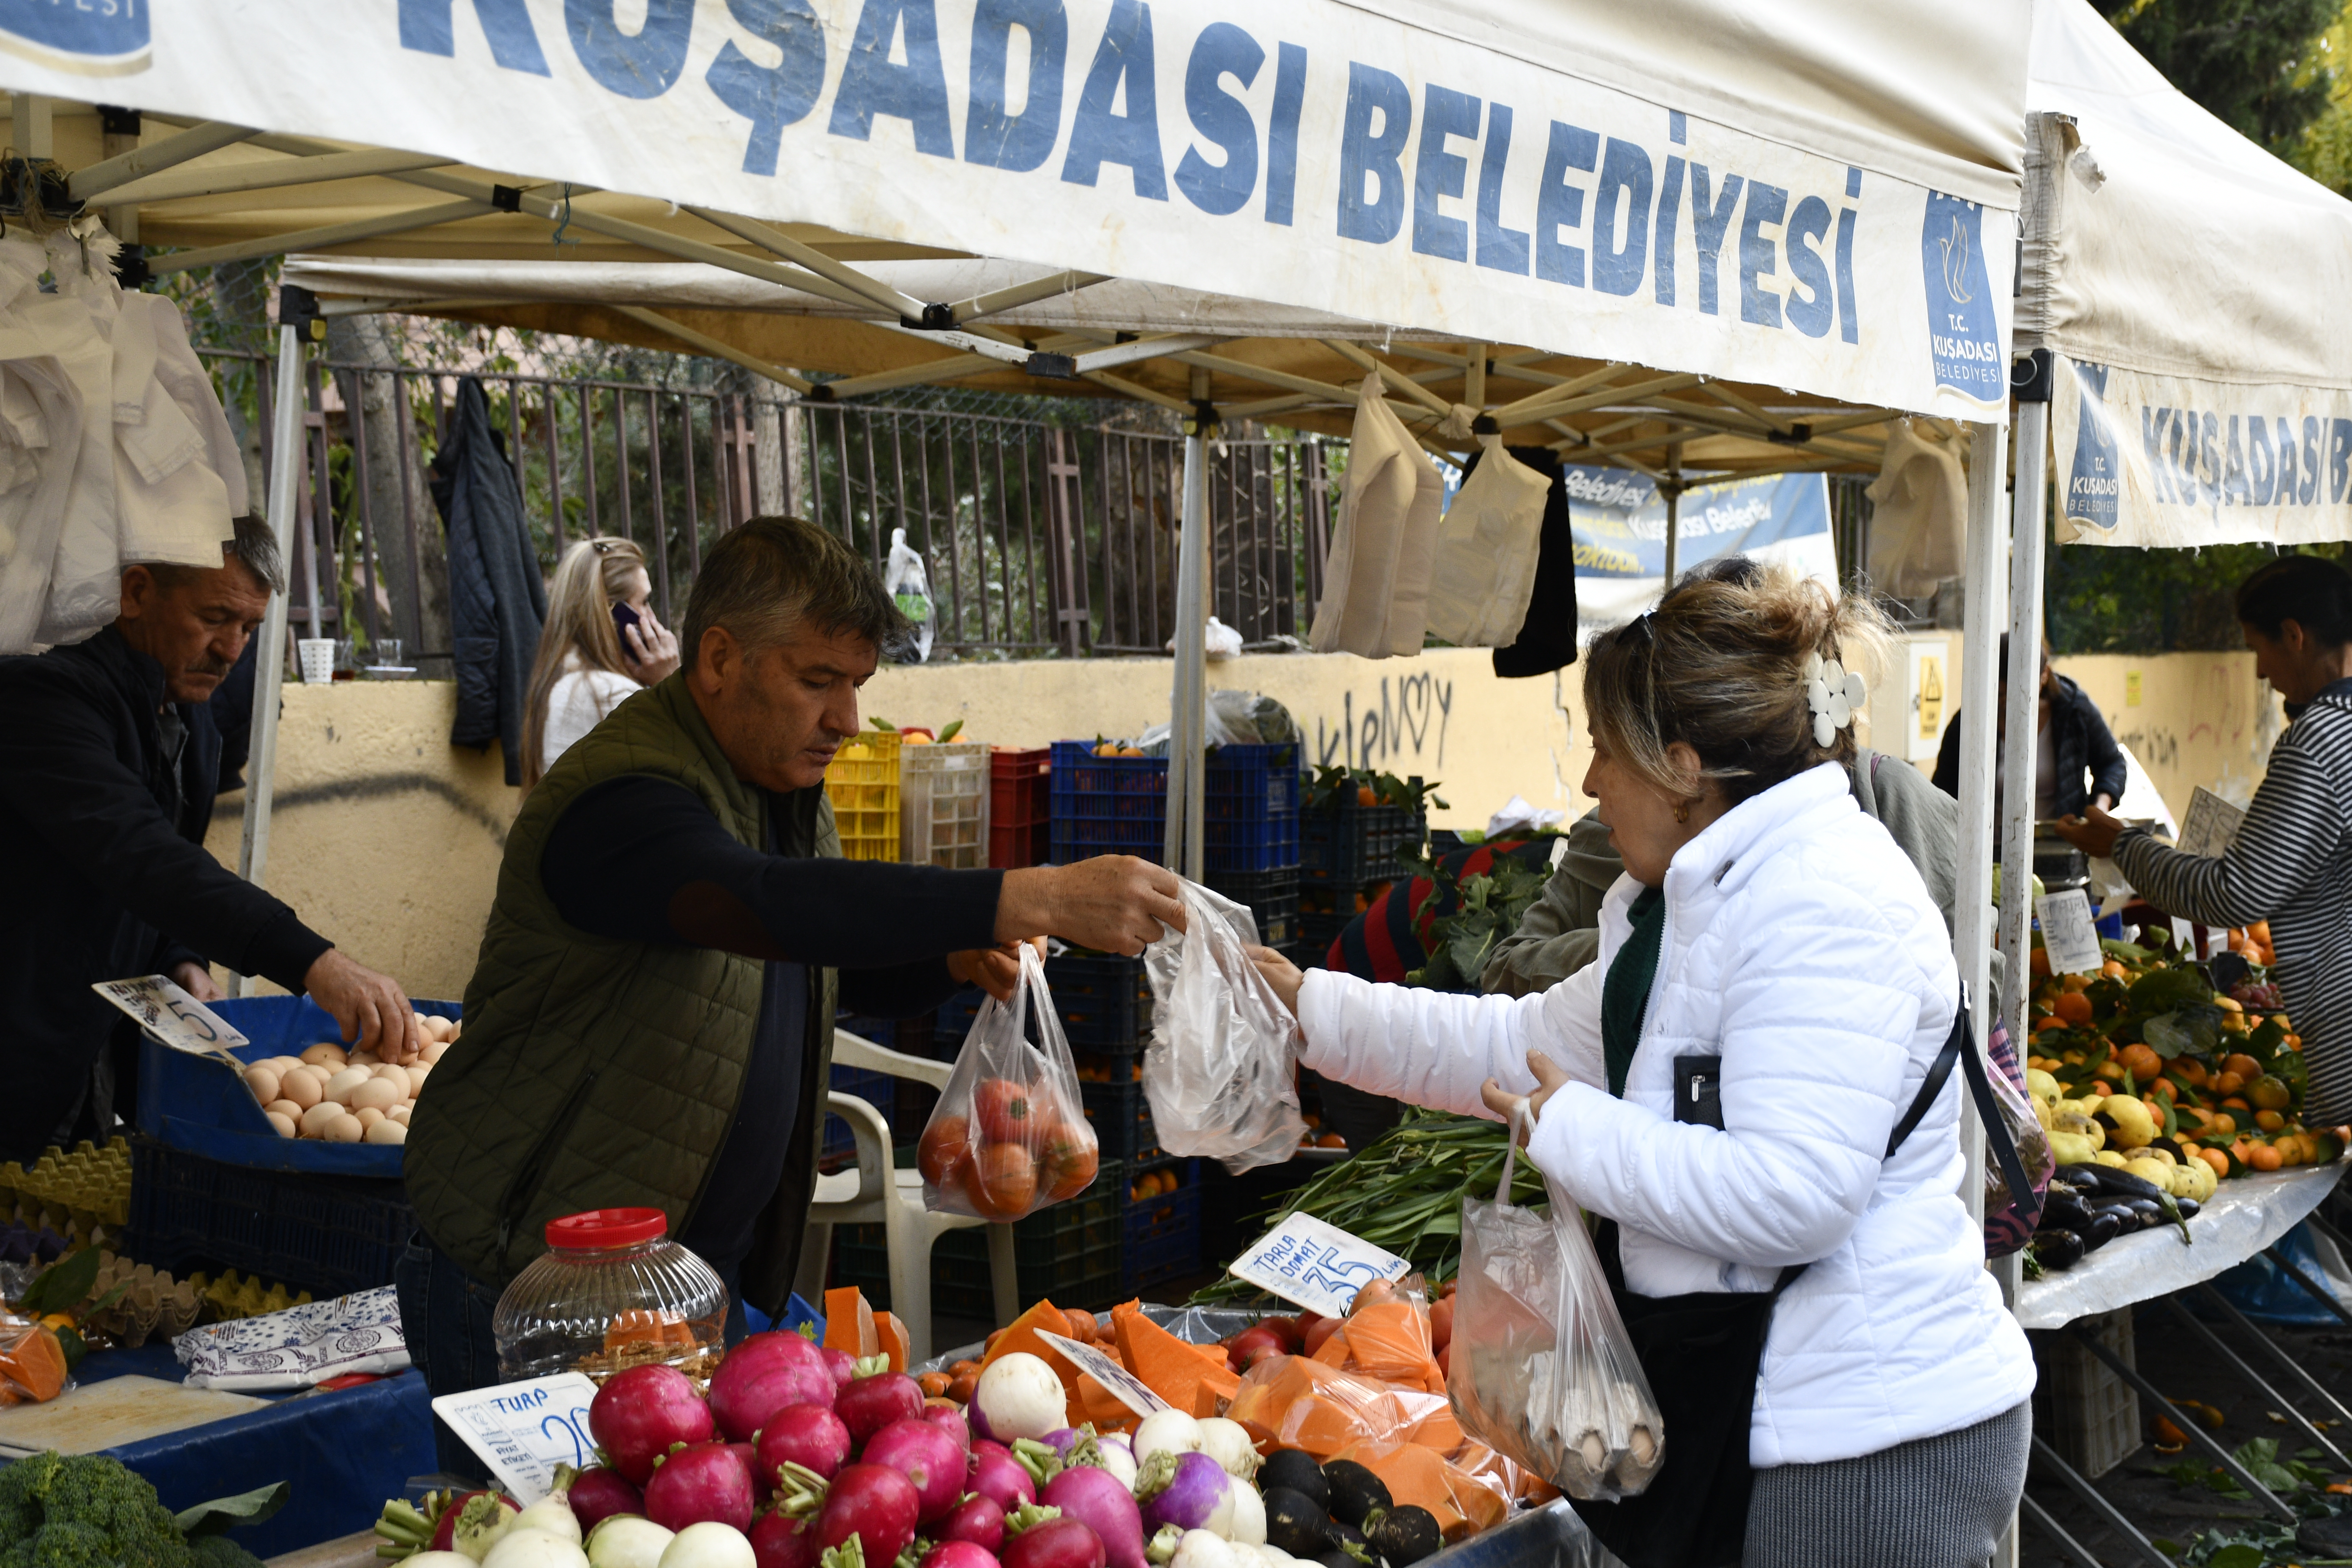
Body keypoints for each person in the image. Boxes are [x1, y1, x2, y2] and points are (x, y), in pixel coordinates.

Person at [1249, 566, 2032, 1567]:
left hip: (1859, 1446)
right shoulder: (1698, 903)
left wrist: (1567, 1128)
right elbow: (1512, 1043)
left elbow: (1796, 1194)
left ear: (1681, 764)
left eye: (1601, 750)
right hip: (1761, 1417)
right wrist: (1303, 1007)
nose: (1587, 784)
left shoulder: (1824, 906)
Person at [400, 517, 1182, 1469]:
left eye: (857, 685)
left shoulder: (773, 789)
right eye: (820, 681)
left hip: (686, 1284)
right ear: (722, 658)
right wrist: (1033, 890)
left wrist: (948, 953)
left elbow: (806, 963)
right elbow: (760, 906)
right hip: (535, 1276)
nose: (847, 720)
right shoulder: (623, 798)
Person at [0, 517, 422, 1163]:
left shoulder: (183, 705)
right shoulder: (45, 692)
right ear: (135, 593)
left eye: (249, 628)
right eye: (215, 617)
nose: (232, 650)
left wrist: (180, 957)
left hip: (87, 1045)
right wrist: (312, 963)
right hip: (23, 1029)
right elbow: (137, 852)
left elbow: (166, 858)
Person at [1486, 557, 1968, 999]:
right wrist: (1651, 948)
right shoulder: (1616, 827)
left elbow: (1969, 985)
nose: (1592, 781)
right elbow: (1510, 977)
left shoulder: (1885, 804)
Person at [2054, 553, 2352, 1125]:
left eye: (2257, 650)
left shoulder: (2320, 743)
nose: (2261, 674)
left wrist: (2122, 844)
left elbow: (2234, 893)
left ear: (2294, 636)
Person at [521, 536, 682, 789]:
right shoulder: (611, 695)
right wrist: (672, 685)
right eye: (645, 602)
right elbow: (684, 774)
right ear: (614, 614)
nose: (651, 617)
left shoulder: (560, 682)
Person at [1933, 632, 2125, 821]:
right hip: (1990, 850)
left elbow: (2112, 764)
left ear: (2044, 675)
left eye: (2022, 694)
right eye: (2001, 695)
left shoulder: (2075, 711)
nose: (2010, 704)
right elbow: (1943, 791)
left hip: (2060, 844)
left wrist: (2100, 806)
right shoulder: (1969, 721)